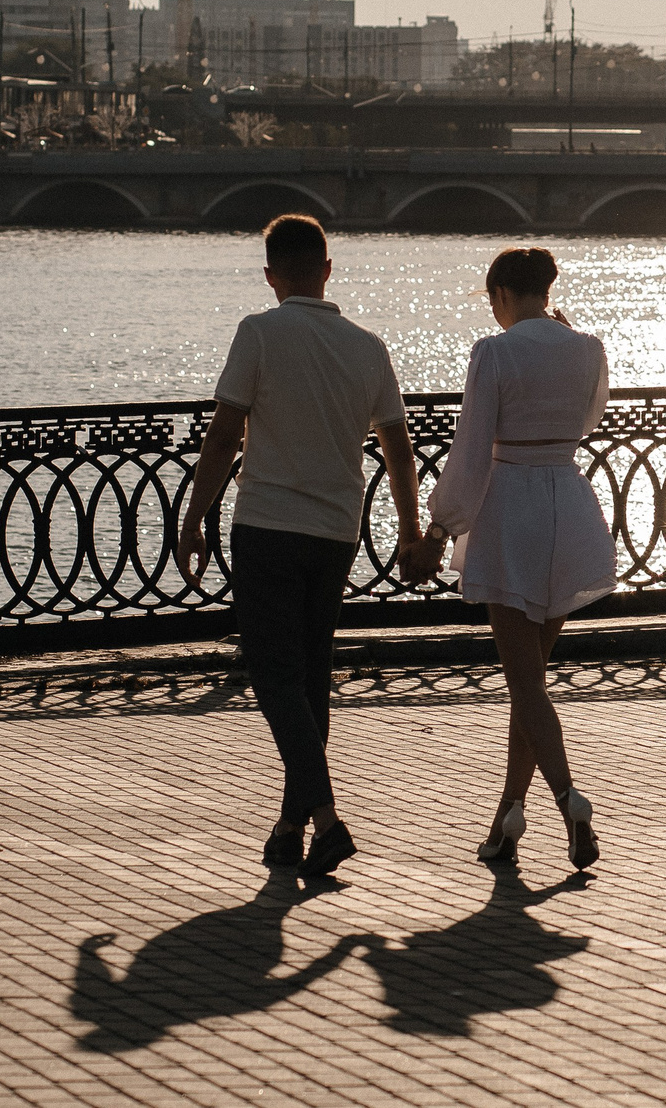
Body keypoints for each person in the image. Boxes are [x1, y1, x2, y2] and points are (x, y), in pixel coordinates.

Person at [177, 214, 422, 879]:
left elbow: (225, 434)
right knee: (311, 682)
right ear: (327, 269)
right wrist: (409, 527)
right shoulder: (368, 346)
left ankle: (329, 817)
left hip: (266, 526)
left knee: (273, 676)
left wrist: (193, 516)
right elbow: (399, 449)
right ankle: (291, 830)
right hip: (337, 531)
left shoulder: (258, 332)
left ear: (270, 275)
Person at [404, 245, 613, 870]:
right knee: (534, 686)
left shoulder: (494, 352)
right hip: (568, 505)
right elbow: (592, 418)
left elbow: (471, 448)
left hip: (510, 508)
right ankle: (506, 821)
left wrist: (439, 528)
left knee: (524, 683)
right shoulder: (588, 349)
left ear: (500, 296)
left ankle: (571, 799)